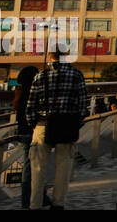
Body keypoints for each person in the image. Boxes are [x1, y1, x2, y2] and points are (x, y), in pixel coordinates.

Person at [26, 50, 87, 209]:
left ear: (50, 58)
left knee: (38, 169)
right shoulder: (76, 75)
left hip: (43, 124)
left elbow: (31, 105)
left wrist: (34, 123)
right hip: (66, 124)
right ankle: (58, 203)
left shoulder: (40, 76)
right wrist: (75, 122)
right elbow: (82, 105)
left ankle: (35, 204)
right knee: (64, 167)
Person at [11, 65, 47, 210]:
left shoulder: (20, 92)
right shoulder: (36, 92)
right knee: (37, 167)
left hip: (23, 132)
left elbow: (17, 110)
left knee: (29, 167)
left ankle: (30, 198)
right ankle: (36, 197)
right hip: (34, 131)